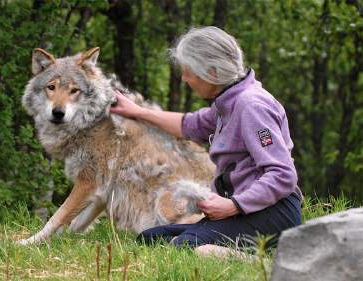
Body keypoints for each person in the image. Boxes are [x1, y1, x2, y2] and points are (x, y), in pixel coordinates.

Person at [109, 26, 303, 256]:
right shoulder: (228, 102)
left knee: (184, 248)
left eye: (188, 71)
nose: (184, 78)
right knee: (151, 238)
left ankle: (261, 261)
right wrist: (137, 112)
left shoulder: (252, 107)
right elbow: (189, 124)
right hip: (245, 211)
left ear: (211, 72)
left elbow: (283, 175)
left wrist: (233, 206)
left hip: (272, 214)